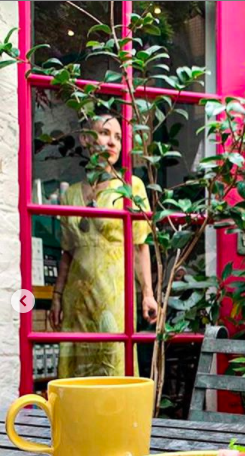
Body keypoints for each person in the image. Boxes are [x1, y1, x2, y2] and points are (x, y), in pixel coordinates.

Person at [49, 114, 158, 377]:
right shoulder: (71, 194)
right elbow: (68, 252)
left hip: (113, 293)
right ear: (86, 139)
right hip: (77, 297)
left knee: (112, 364)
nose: (112, 143)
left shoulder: (131, 187)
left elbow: (140, 245)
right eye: (105, 133)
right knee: (75, 372)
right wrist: (57, 296)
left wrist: (147, 293)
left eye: (118, 138)